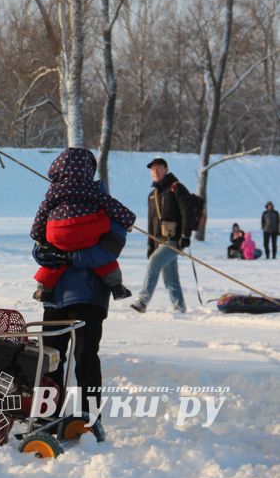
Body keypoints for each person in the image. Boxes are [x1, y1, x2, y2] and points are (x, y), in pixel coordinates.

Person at [33, 222, 127, 415]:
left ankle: (89, 418)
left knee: (85, 357)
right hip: (54, 297)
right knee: (50, 358)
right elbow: (37, 246)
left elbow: (107, 251)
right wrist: (43, 253)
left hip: (89, 297)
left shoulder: (108, 213)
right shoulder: (52, 209)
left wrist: (68, 256)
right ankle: (47, 417)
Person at [30, 148, 136, 303]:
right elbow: (112, 205)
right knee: (104, 260)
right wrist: (128, 220)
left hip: (57, 233)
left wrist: (38, 235)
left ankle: (43, 290)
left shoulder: (54, 191)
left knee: (54, 263)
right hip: (86, 231)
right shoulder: (93, 189)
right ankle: (116, 286)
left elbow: (42, 212)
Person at [131, 157, 193, 314]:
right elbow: (151, 223)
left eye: (159, 168)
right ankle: (179, 307)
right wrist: (150, 245)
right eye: (153, 169)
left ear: (166, 169)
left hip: (174, 240)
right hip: (158, 241)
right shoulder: (152, 195)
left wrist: (185, 235)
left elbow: (187, 212)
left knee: (154, 263)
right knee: (170, 278)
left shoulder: (176, 188)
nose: (156, 171)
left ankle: (143, 301)